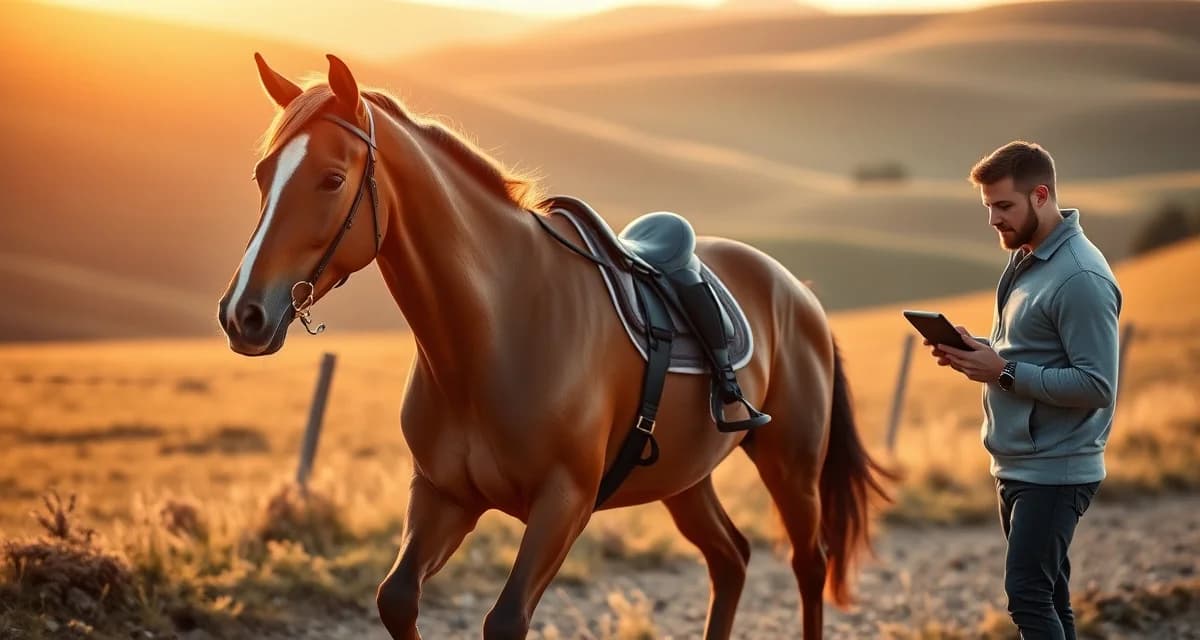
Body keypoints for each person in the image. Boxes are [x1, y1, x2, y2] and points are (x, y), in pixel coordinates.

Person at [925, 141, 1122, 639]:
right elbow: (1029, 350)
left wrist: (1002, 372)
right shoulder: (1030, 258)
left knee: (1028, 596)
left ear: (1041, 196)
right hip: (1018, 463)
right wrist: (979, 350)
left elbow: (1097, 384)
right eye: (988, 206)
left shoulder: (1079, 277)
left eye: (1004, 206)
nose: (993, 218)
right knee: (1049, 595)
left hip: (1057, 468)